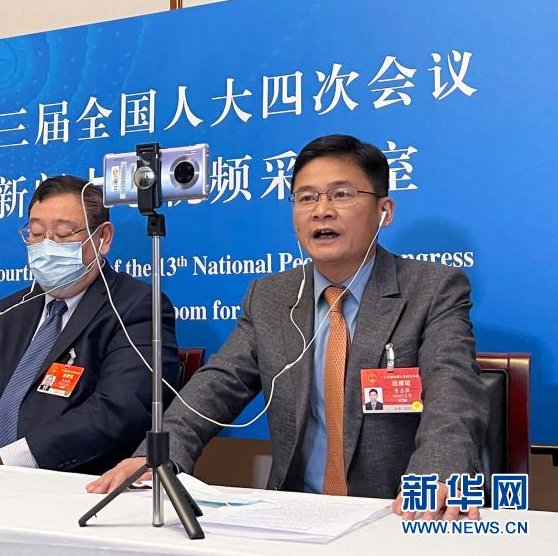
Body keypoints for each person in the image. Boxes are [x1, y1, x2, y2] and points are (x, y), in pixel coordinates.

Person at [87, 135, 487, 521]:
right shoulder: (271, 297)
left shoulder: (432, 290)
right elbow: (217, 385)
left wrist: (437, 475)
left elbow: (452, 392)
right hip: (297, 516)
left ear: (385, 211)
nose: (322, 211)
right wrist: (157, 456)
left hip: (397, 513)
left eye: (342, 194)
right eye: (306, 197)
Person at [0, 175, 179, 474]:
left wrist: (5, 461)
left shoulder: (136, 307)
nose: (46, 245)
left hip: (72, 483)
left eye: (63, 234)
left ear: (103, 238)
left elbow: (120, 408)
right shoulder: (7, 312)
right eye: (36, 233)